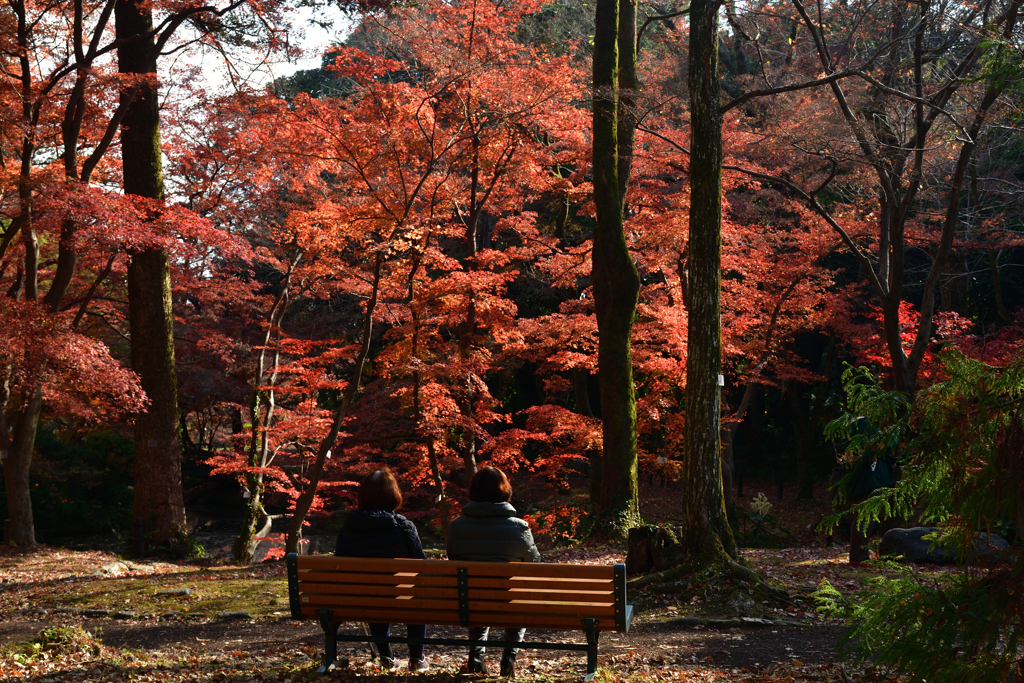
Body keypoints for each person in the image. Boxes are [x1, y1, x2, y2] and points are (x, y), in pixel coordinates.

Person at [447, 466, 540, 678]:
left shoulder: (457, 526)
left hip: (469, 601)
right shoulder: (519, 527)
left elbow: (453, 557)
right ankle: (508, 659)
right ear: (505, 491)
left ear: (474, 491)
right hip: (509, 600)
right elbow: (534, 562)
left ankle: (476, 657)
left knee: (475, 595)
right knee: (517, 599)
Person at [334, 470, 429, 672]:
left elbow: (339, 564)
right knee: (415, 595)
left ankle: (386, 657)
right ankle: (416, 658)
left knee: (372, 592)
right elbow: (422, 568)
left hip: (360, 599)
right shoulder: (404, 526)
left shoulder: (349, 527)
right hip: (401, 598)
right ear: (393, 494)